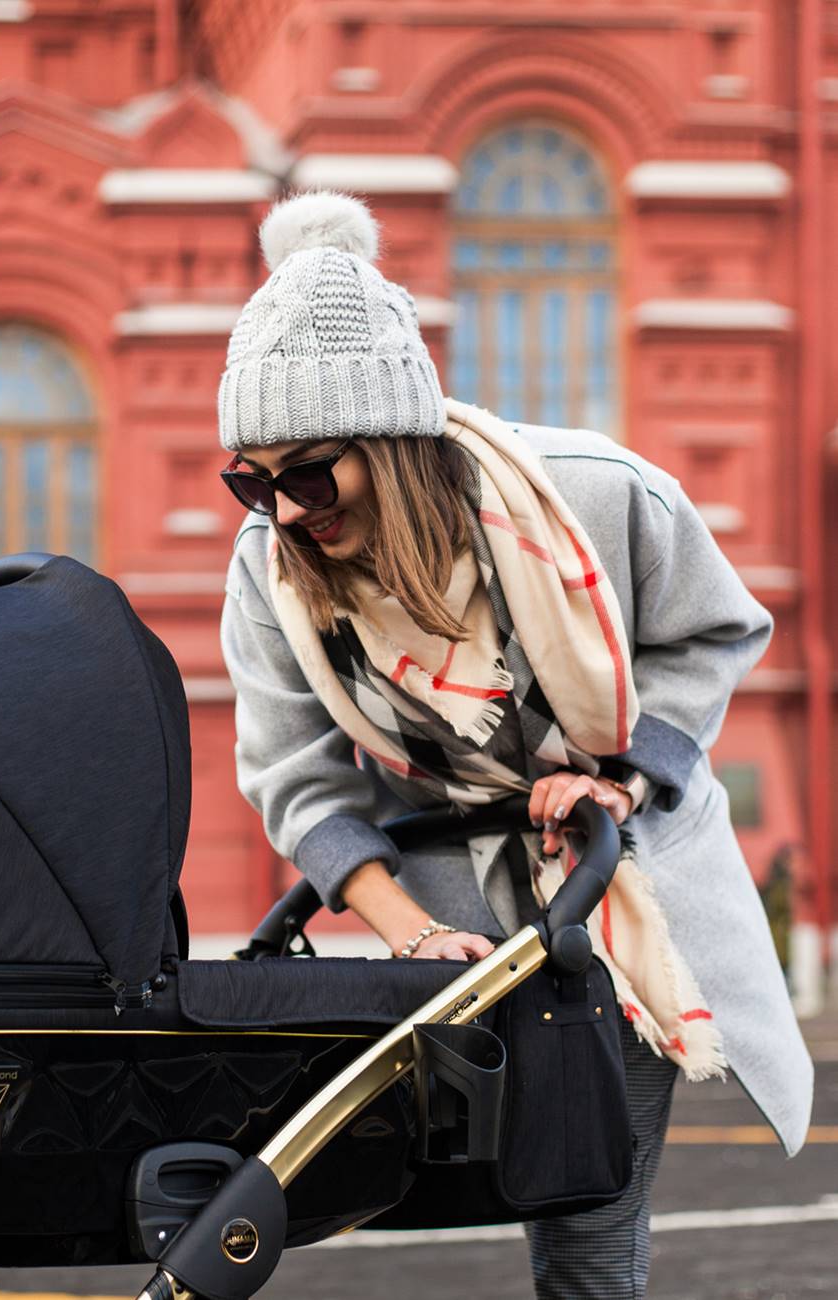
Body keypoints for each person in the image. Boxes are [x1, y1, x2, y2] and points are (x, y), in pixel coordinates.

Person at [217, 191, 812, 1300]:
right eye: (253, 481)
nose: (285, 512)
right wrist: (411, 932)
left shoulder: (595, 495)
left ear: (389, 438)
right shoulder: (270, 570)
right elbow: (293, 775)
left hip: (617, 902)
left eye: (306, 474)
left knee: (585, 1230)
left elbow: (715, 630)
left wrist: (622, 778)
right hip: (448, 924)